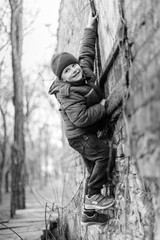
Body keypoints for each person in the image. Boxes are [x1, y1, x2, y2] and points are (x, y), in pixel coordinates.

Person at [49, 12, 115, 226]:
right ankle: (93, 196)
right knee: (104, 155)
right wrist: (102, 107)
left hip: (84, 133)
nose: (74, 70)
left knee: (94, 167)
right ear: (63, 78)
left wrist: (90, 26)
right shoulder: (67, 93)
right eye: (67, 71)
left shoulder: (82, 69)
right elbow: (81, 118)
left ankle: (89, 215)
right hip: (79, 134)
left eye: (73, 65)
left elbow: (86, 50)